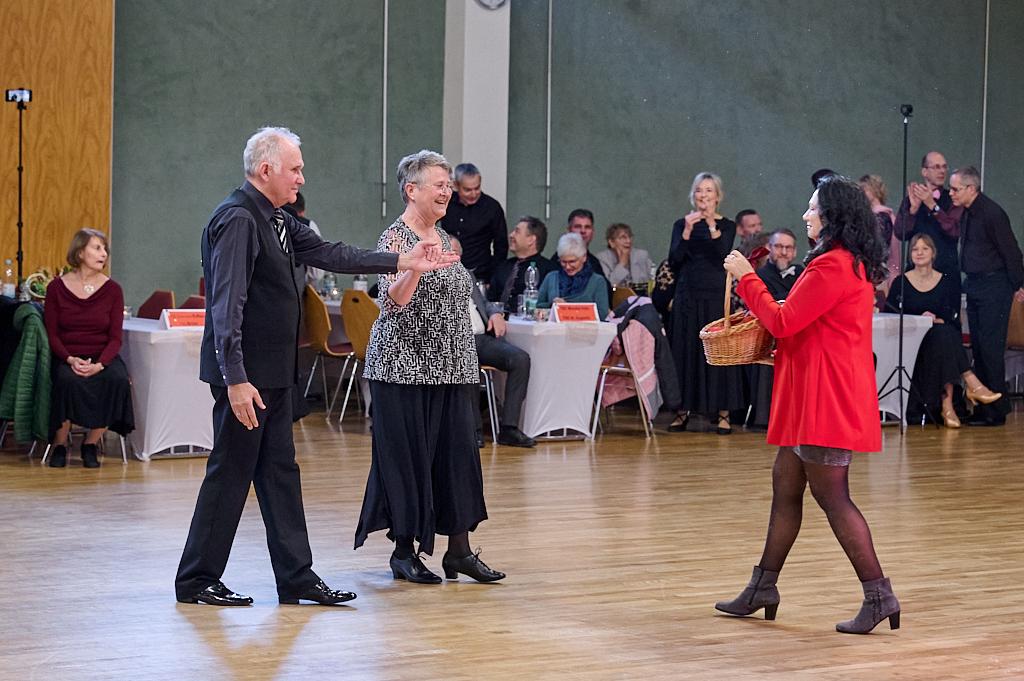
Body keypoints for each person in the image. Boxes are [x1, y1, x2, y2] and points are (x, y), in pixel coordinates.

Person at [175, 127, 457, 608]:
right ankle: (197, 579)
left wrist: (400, 259)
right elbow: (226, 308)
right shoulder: (239, 219)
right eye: (295, 169)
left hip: (274, 375)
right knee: (230, 474)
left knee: (280, 473)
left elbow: (334, 254)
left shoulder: (278, 218)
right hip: (247, 379)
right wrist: (236, 379)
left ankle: (297, 577)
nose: (302, 178)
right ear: (266, 170)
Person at [717, 176, 900, 635]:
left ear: (832, 216)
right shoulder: (841, 263)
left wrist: (747, 279)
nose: (805, 214)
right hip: (814, 394)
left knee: (833, 497)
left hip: (825, 398)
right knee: (785, 487)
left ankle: (879, 595)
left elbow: (782, 322)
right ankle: (762, 587)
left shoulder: (833, 266)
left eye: (812, 207)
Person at [355, 150, 505, 585]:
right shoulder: (395, 239)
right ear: (412, 190)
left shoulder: (442, 236)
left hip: (454, 368)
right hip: (403, 370)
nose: (447, 191)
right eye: (438, 184)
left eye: (448, 185)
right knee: (408, 462)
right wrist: (416, 267)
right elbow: (392, 300)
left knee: (457, 458)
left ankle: (458, 551)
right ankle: (404, 552)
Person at [885, 233, 1000, 428]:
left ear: (933, 253)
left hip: (938, 340)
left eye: (924, 248)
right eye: (915, 249)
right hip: (912, 342)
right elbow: (891, 316)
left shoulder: (946, 282)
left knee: (944, 334)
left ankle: (950, 404)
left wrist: (936, 319)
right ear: (910, 255)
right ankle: (966, 388)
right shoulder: (900, 283)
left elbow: (952, 317)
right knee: (945, 336)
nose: (919, 253)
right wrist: (917, 321)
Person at [43, 228, 134, 468]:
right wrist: (70, 359)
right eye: (97, 248)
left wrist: (100, 364)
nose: (103, 253)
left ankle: (90, 443)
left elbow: (115, 338)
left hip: (102, 356)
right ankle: (60, 444)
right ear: (80, 252)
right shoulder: (56, 288)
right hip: (67, 355)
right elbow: (52, 334)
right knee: (65, 380)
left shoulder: (113, 290)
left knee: (117, 379)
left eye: (104, 249)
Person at [667, 172, 744, 435]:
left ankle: (723, 412)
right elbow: (674, 260)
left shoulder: (728, 225)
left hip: (714, 295)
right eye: (699, 190)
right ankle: (681, 410)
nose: (704, 195)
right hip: (688, 293)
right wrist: (688, 231)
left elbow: (723, 255)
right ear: (693, 195)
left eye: (709, 191)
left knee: (717, 353)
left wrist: (712, 226)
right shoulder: (681, 224)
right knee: (686, 351)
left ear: (718, 196)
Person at [951, 165, 1024, 426]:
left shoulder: (992, 213)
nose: (952, 193)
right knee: (980, 349)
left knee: (991, 349)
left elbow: (1012, 251)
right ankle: (985, 406)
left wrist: (1019, 284)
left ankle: (996, 410)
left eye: (956, 189)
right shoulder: (969, 212)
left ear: (972, 188)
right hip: (976, 286)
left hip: (995, 287)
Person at [450, 236, 535, 448]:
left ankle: (509, 428)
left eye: (455, 254)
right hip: (456, 341)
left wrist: (495, 313)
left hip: (482, 336)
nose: (452, 257)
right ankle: (473, 431)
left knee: (520, 358)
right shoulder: (429, 278)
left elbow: (485, 303)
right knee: (467, 359)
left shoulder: (466, 275)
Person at [745, 229, 805, 429]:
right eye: (779, 247)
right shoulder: (760, 275)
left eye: (788, 248)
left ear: (795, 252)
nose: (784, 252)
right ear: (769, 249)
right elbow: (765, 302)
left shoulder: (801, 273)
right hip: (768, 332)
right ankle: (765, 418)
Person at [893, 151, 962, 282]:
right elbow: (899, 234)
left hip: (946, 272)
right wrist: (913, 210)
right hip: (916, 274)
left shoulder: (954, 198)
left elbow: (954, 231)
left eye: (944, 167)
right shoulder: (911, 199)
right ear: (924, 172)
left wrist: (932, 205)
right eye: (936, 167)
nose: (942, 171)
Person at [440, 162, 508, 281]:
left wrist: (493, 278)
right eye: (467, 190)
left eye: (477, 188)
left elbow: (501, 246)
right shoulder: (446, 203)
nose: (473, 194)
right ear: (456, 185)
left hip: (479, 274)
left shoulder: (492, 207)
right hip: (447, 271)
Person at [488, 215, 557, 315]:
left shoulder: (548, 270)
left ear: (531, 240)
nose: (511, 235)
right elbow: (491, 300)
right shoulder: (503, 266)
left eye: (517, 231)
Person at [537, 232, 610, 320]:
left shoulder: (598, 282)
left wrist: (567, 309)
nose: (567, 267)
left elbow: (602, 315)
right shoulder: (551, 277)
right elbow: (537, 306)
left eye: (572, 261)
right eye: (563, 261)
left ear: (584, 257)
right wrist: (552, 305)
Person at [858, 174, 898, 292]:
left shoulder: (881, 217)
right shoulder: (887, 215)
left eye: (864, 189)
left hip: (878, 274)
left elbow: (879, 249)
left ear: (874, 189)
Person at [595, 222, 654, 290]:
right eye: (623, 237)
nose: (628, 241)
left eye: (630, 237)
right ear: (611, 242)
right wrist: (622, 264)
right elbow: (609, 287)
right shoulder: (602, 258)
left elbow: (647, 284)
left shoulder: (642, 255)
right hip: (613, 297)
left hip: (640, 297)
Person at [283, 191, 323, 288]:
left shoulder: (270, 220)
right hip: (297, 289)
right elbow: (316, 272)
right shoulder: (308, 225)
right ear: (303, 211)